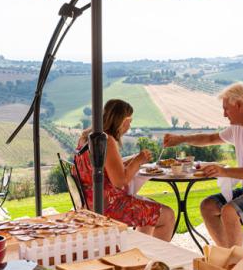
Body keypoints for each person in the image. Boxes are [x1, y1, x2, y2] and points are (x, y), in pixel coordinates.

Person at [163, 82, 243, 247]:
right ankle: (227, 256)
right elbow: (209, 139)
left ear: (239, 105)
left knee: (229, 211)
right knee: (208, 206)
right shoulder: (238, 127)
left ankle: (237, 263)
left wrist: (224, 171)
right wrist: (181, 139)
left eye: (226, 109)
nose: (224, 114)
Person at [75, 99, 175, 241]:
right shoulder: (106, 140)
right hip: (108, 207)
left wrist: (128, 161)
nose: (130, 124)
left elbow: (104, 167)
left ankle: (140, 254)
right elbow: (120, 181)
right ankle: (155, 261)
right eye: (130, 120)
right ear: (122, 121)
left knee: (150, 206)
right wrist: (138, 160)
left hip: (91, 202)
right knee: (168, 215)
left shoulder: (87, 137)